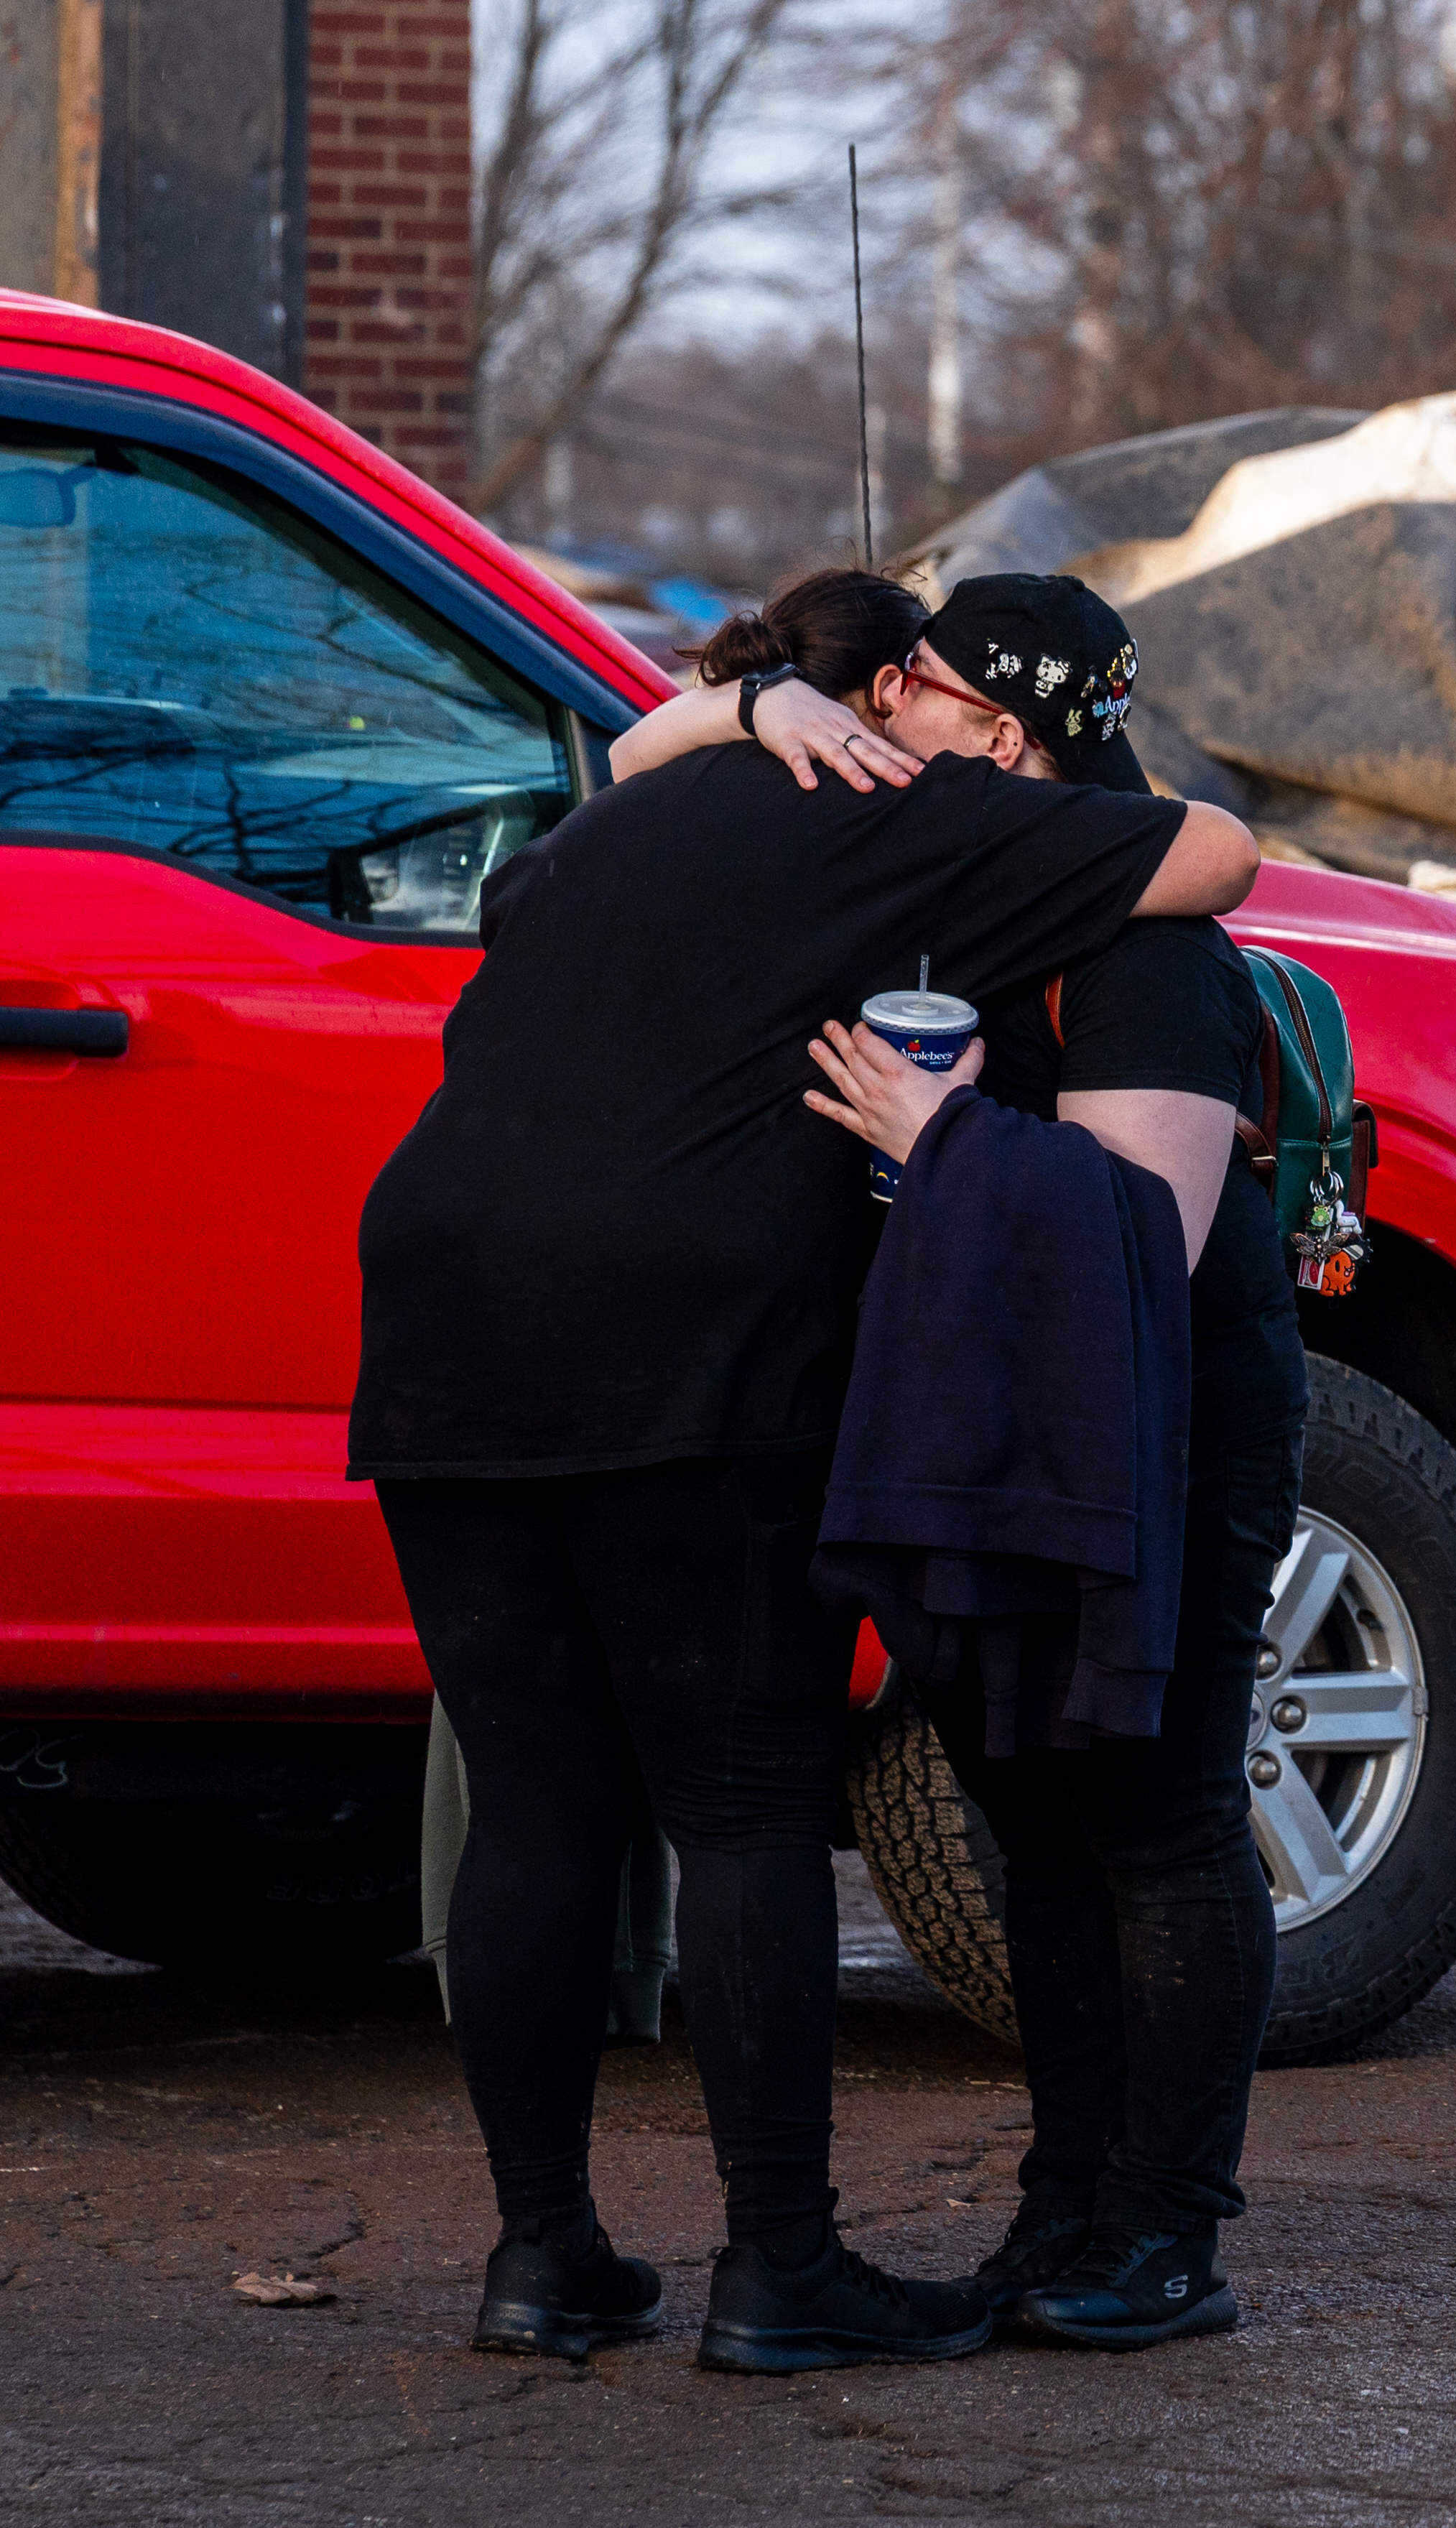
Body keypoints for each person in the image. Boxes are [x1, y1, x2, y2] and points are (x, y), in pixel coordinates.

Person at [351, 565, 1261, 2374]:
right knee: (747, 1801)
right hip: (685, 1342)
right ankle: (783, 2269)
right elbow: (1220, 847)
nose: (898, 724)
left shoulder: (637, 822)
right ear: (887, 717)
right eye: (893, 688)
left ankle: (546, 2259)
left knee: (539, 1804)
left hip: (442, 1312)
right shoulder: (896, 824)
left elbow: (606, 798)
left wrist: (737, 711)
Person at [787, 575, 1302, 2352]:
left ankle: (1171, 2228)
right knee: (1032, 1813)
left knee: (1153, 1817)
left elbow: (1140, 1243)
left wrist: (947, 1135)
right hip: (997, 1416)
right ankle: (1064, 2198)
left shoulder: (1147, 942)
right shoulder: (960, 888)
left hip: (1162, 1418)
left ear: (1003, 733)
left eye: (907, 686)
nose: (878, 703)